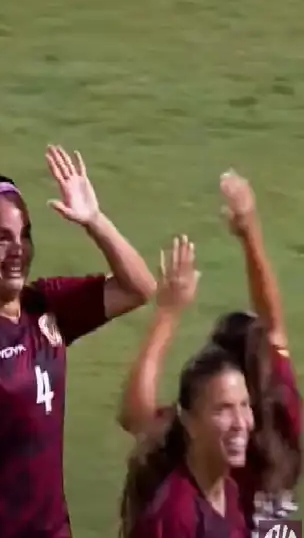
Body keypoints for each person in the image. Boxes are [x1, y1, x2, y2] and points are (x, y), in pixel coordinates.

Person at [0, 145, 157, 538]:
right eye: (1, 239)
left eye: (24, 236)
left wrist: (94, 220)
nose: (18, 251)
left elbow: (139, 288)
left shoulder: (46, 305)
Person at [117, 171, 301, 533]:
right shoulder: (284, 407)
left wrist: (167, 313)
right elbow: (274, 326)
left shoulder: (207, 434)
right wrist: (250, 232)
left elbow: (134, 414)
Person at [119, 240, 252, 537]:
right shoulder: (179, 517)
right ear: (190, 422)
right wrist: (167, 313)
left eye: (245, 404)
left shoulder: (227, 490)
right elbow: (137, 416)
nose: (241, 422)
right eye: (224, 409)